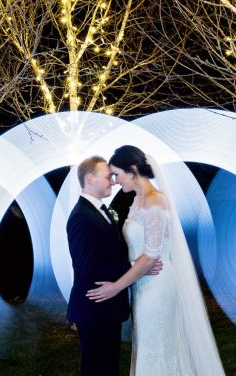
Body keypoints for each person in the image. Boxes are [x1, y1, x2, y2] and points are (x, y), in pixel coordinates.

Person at [86, 145, 225, 376]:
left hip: (157, 287)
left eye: (117, 174)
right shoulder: (137, 200)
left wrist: (116, 287)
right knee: (146, 345)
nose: (116, 181)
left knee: (157, 346)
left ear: (132, 170)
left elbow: (151, 255)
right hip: (141, 285)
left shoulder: (155, 200)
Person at [66, 156, 132, 376]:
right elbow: (88, 267)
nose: (112, 182)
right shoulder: (80, 217)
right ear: (89, 179)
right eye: (107, 177)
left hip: (106, 307)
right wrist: (133, 267)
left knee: (108, 368)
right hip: (94, 308)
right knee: (96, 369)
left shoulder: (99, 211)